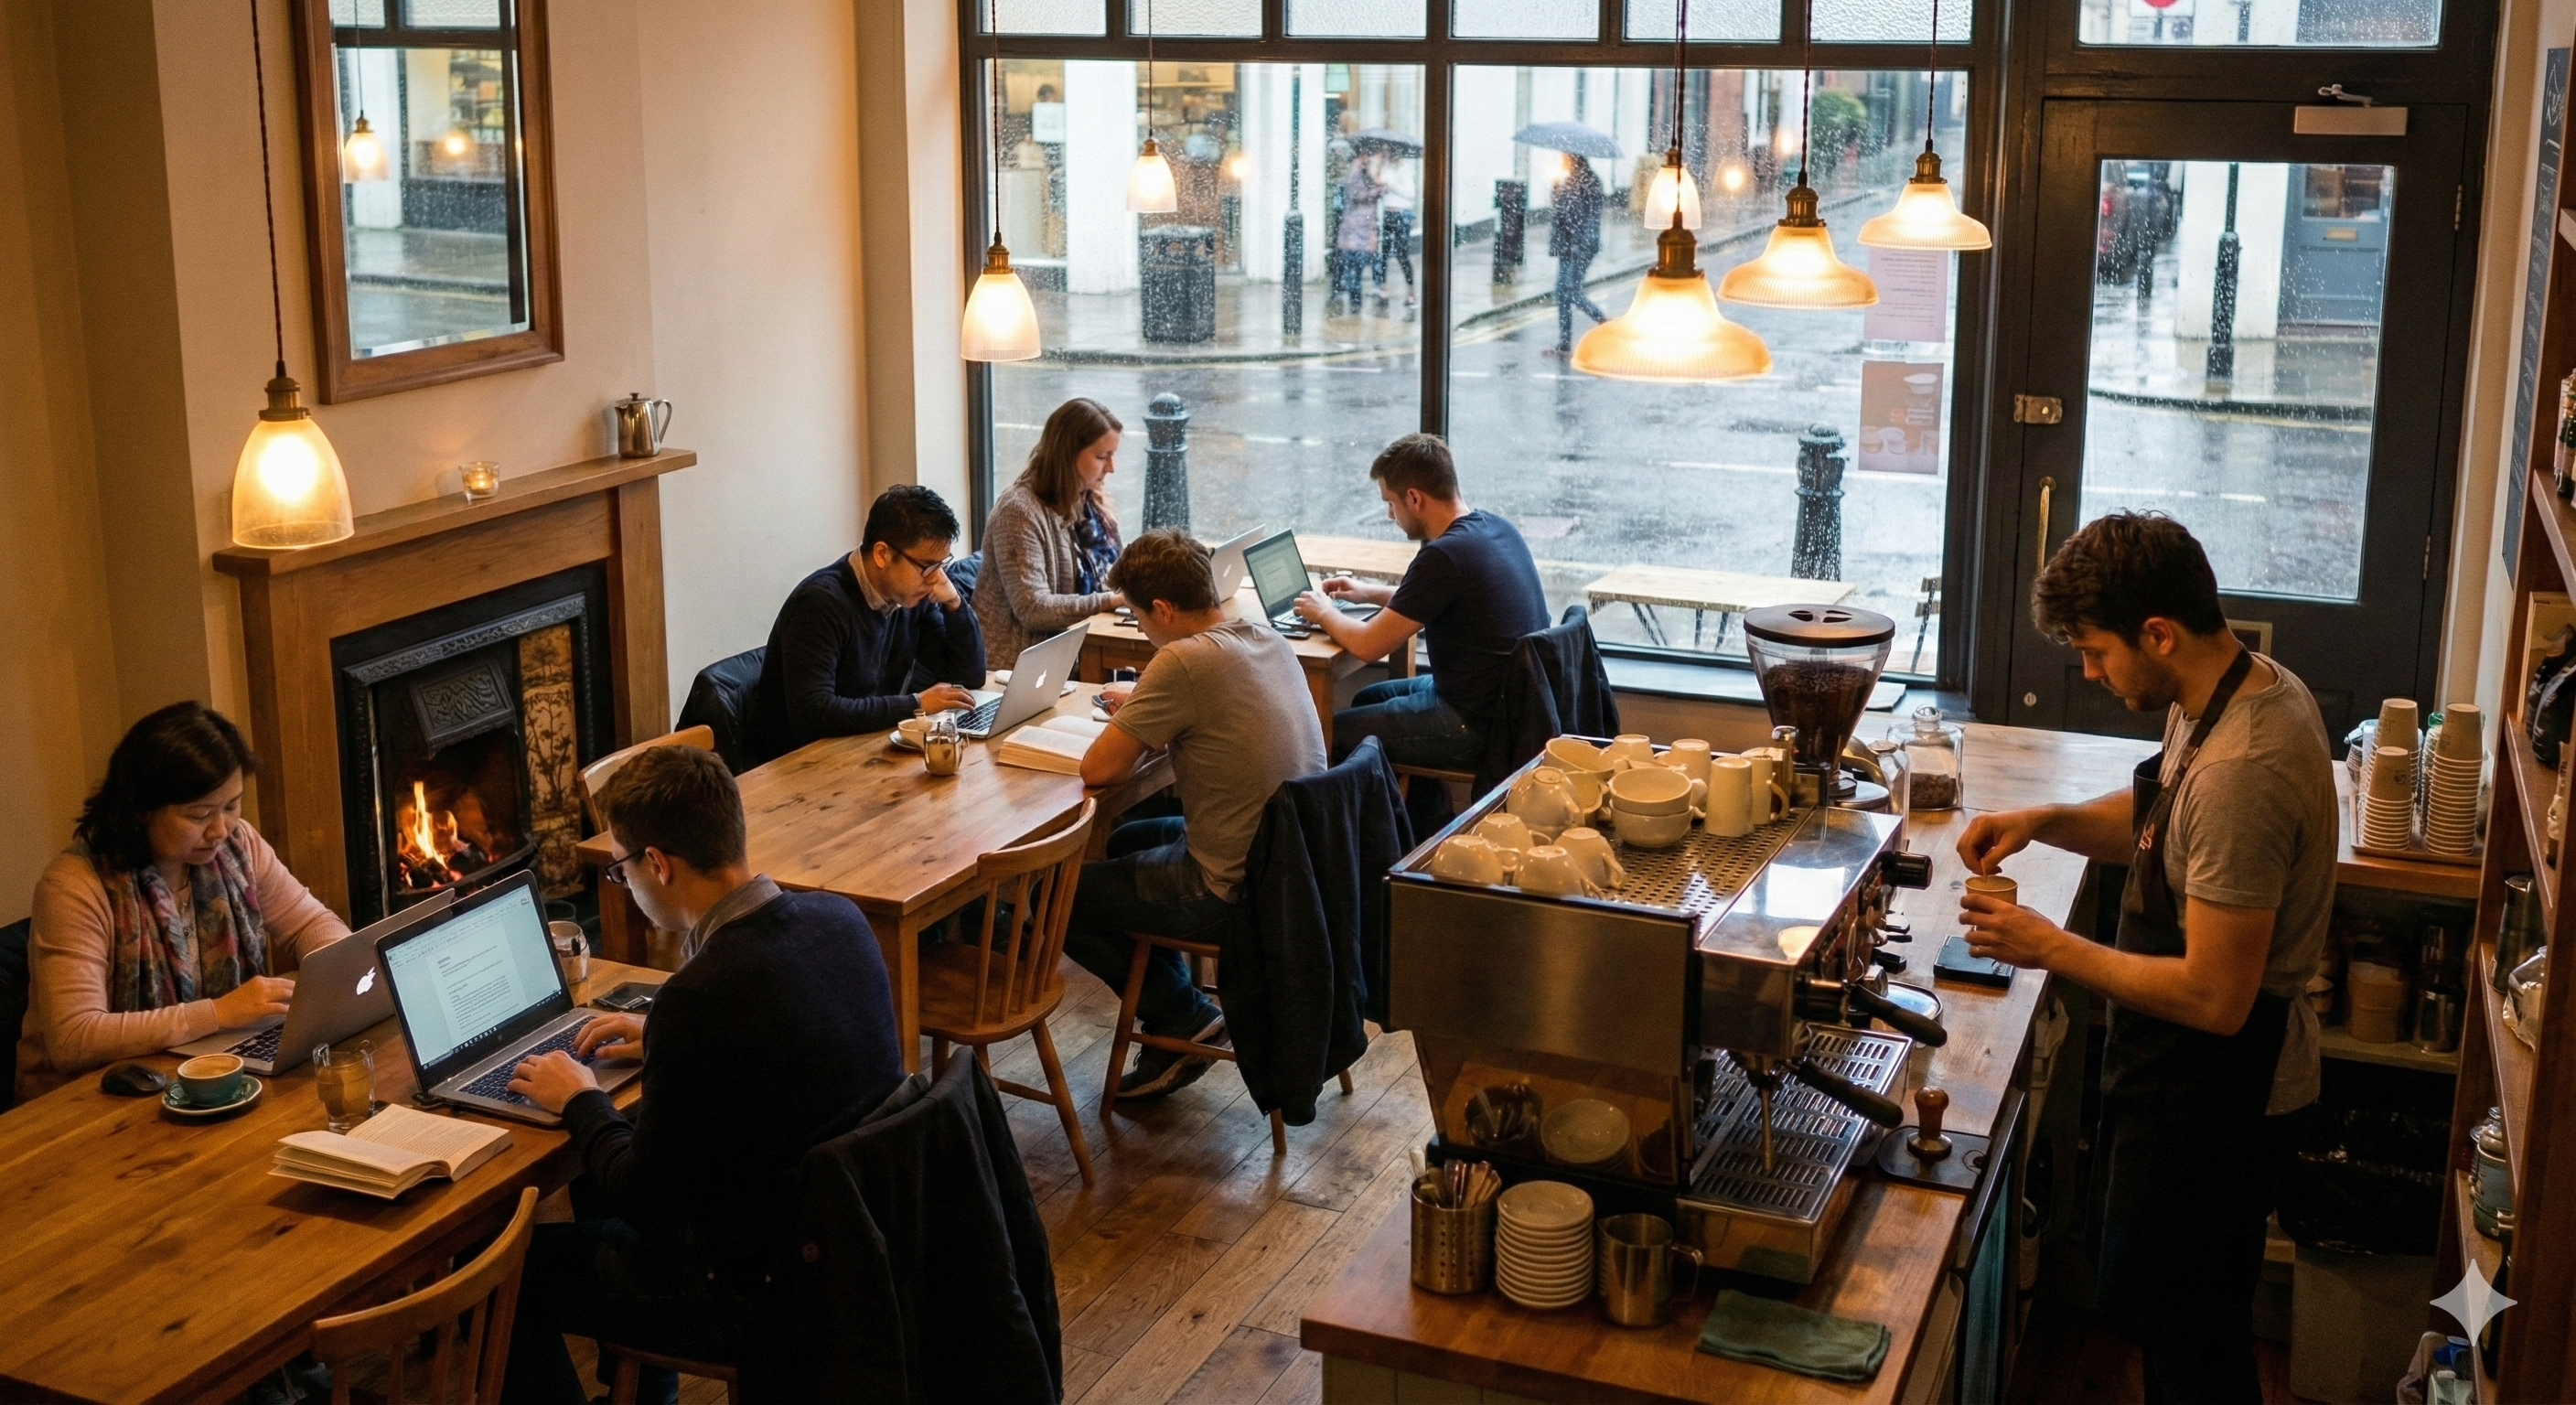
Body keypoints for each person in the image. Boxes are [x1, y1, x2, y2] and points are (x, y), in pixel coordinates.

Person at [1955, 513, 2331, 1405]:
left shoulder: (2246, 768)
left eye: (2093, 651)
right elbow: (2161, 828)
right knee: (2167, 1331)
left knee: (2193, 1353)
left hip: (2218, 1104)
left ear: (2155, 632)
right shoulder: (2225, 693)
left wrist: (2046, 947)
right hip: (2177, 1084)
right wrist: (2044, 821)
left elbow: (2213, 996)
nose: (2087, 671)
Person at [502, 745, 906, 1404]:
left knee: (507, 1275)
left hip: (755, 1285)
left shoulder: (703, 998)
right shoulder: (840, 921)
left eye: (623, 871)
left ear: (655, 864)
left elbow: (646, 1199)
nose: (626, 885)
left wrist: (578, 1098)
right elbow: (766, 1016)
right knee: (597, 1190)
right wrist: (659, 1031)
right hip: (852, 1243)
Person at [1065, 530, 1326, 1100]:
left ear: (1161, 609)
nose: (1139, 629)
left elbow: (1099, 771)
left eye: (1136, 617)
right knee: (1131, 836)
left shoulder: (1181, 661)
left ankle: (1178, 1013)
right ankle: (1175, 1009)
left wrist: (1132, 716)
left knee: (1060, 896)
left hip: (1234, 890)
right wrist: (1147, 707)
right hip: (1292, 872)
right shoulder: (1260, 633)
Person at [17, 701, 347, 1101]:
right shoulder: (74, 886)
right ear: (141, 809)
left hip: (202, 1072)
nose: (221, 829)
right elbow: (75, 1038)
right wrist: (220, 1013)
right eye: (198, 815)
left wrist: (333, 973)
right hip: (85, 1103)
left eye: (231, 805)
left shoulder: (238, 848)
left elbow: (312, 924)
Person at [1292, 434, 1549, 774]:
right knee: (1366, 699)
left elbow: (1369, 645)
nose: (1389, 514)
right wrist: (1367, 592)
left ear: (1413, 498)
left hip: (1473, 724)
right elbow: (1437, 599)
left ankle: (1386, 823)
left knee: (1329, 734)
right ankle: (1417, 810)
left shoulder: (1443, 556)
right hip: (1503, 704)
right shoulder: (1493, 528)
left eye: (1390, 502)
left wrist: (1322, 612)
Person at [742, 485, 985, 765]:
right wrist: (915, 704)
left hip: (861, 750)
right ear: (882, 554)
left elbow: (969, 676)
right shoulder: (820, 603)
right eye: (927, 567)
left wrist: (955, 603)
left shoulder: (911, 598)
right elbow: (814, 714)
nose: (935, 578)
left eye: (941, 566)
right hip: (793, 767)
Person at [974, 398, 1126, 668]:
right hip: (1020, 670)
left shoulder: (1089, 501)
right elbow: (1034, 609)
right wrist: (1111, 600)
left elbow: (1117, 574)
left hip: (1073, 655)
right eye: (1102, 456)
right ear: (1067, 454)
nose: (1111, 467)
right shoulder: (1019, 511)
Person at [1548, 155, 1607, 354]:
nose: (1562, 161)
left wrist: (1557, 189)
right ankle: (1564, 342)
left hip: (1577, 245)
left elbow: (1570, 215)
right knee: (1562, 293)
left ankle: (1603, 321)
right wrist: (1557, 188)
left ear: (1574, 159)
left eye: (1564, 157)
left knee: (1569, 291)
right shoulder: (1585, 179)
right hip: (1572, 244)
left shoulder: (1581, 180)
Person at [1331, 152, 1385, 316]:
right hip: (1353, 231)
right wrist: (1376, 188)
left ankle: (1355, 304)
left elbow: (1384, 189)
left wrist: (1377, 183)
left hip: (1367, 230)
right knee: (1352, 270)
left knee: (1358, 269)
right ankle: (1354, 306)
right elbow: (1356, 194)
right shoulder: (1356, 171)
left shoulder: (1370, 172)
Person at [1374, 152, 1417, 309]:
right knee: (1383, 253)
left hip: (1402, 213)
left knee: (1401, 253)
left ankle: (1410, 291)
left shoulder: (1404, 169)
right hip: (1386, 213)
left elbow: (1411, 193)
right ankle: (1383, 287)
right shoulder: (1384, 168)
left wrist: (1392, 185)